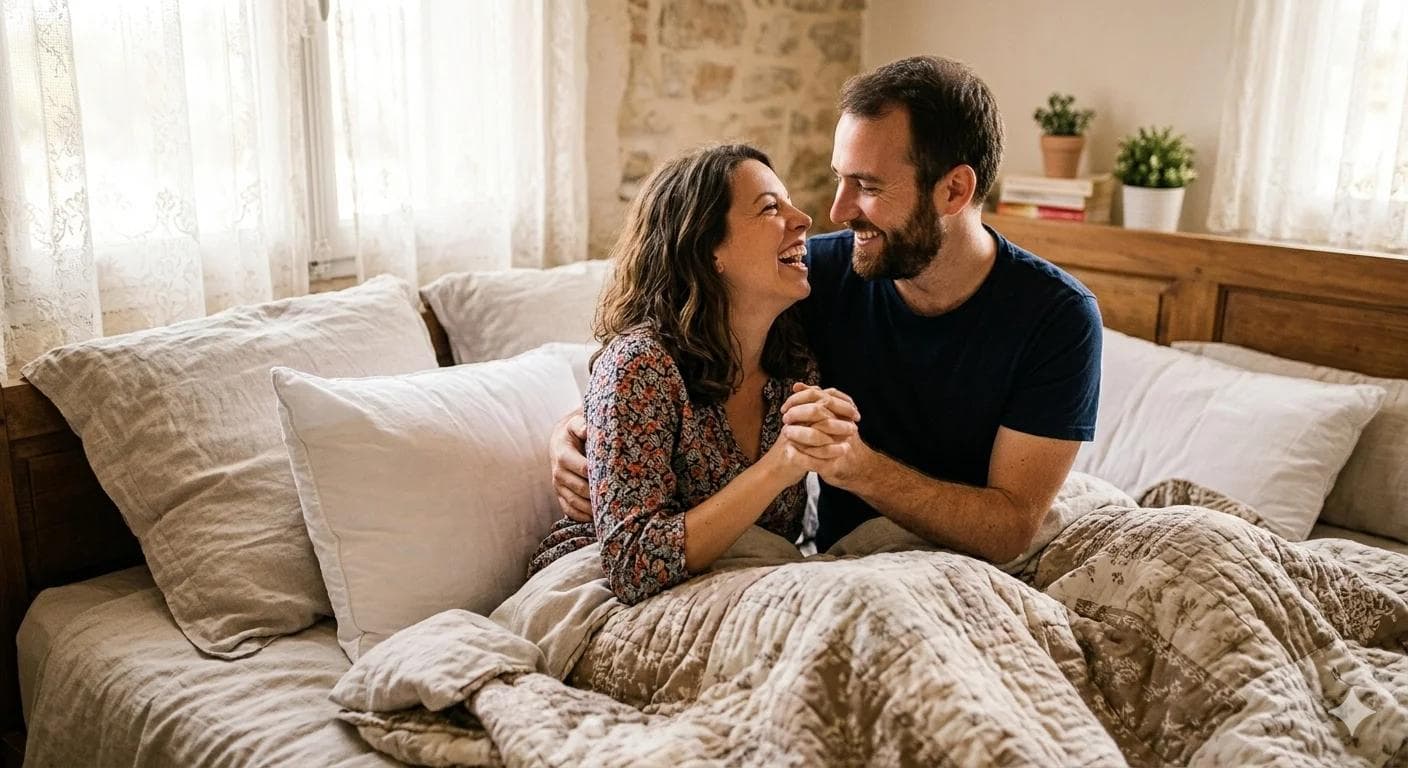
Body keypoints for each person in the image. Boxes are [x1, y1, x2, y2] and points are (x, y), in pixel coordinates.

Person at [551, 56, 1102, 566]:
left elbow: (1010, 529)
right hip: (845, 565)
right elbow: (664, 349)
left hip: (965, 563)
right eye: (840, 178)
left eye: (866, 186)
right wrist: (579, 432)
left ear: (954, 190)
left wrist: (861, 469)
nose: (834, 211)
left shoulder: (1058, 318)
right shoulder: (811, 280)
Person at [527, 144, 859, 605]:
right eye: (770, 208)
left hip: (750, 582)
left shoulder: (794, 363)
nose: (803, 218)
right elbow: (633, 565)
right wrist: (779, 465)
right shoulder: (640, 366)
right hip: (607, 592)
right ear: (707, 250)